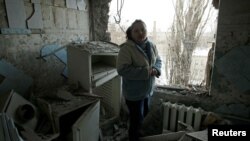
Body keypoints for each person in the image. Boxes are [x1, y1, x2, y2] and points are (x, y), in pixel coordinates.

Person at [116, 19, 162, 141]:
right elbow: (122, 70)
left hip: (147, 91)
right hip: (134, 93)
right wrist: (146, 72)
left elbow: (158, 60)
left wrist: (156, 69)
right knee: (136, 120)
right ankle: (133, 136)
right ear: (131, 33)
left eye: (143, 29)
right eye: (136, 31)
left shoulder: (151, 45)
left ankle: (137, 132)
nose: (140, 32)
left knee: (143, 115)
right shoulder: (126, 49)